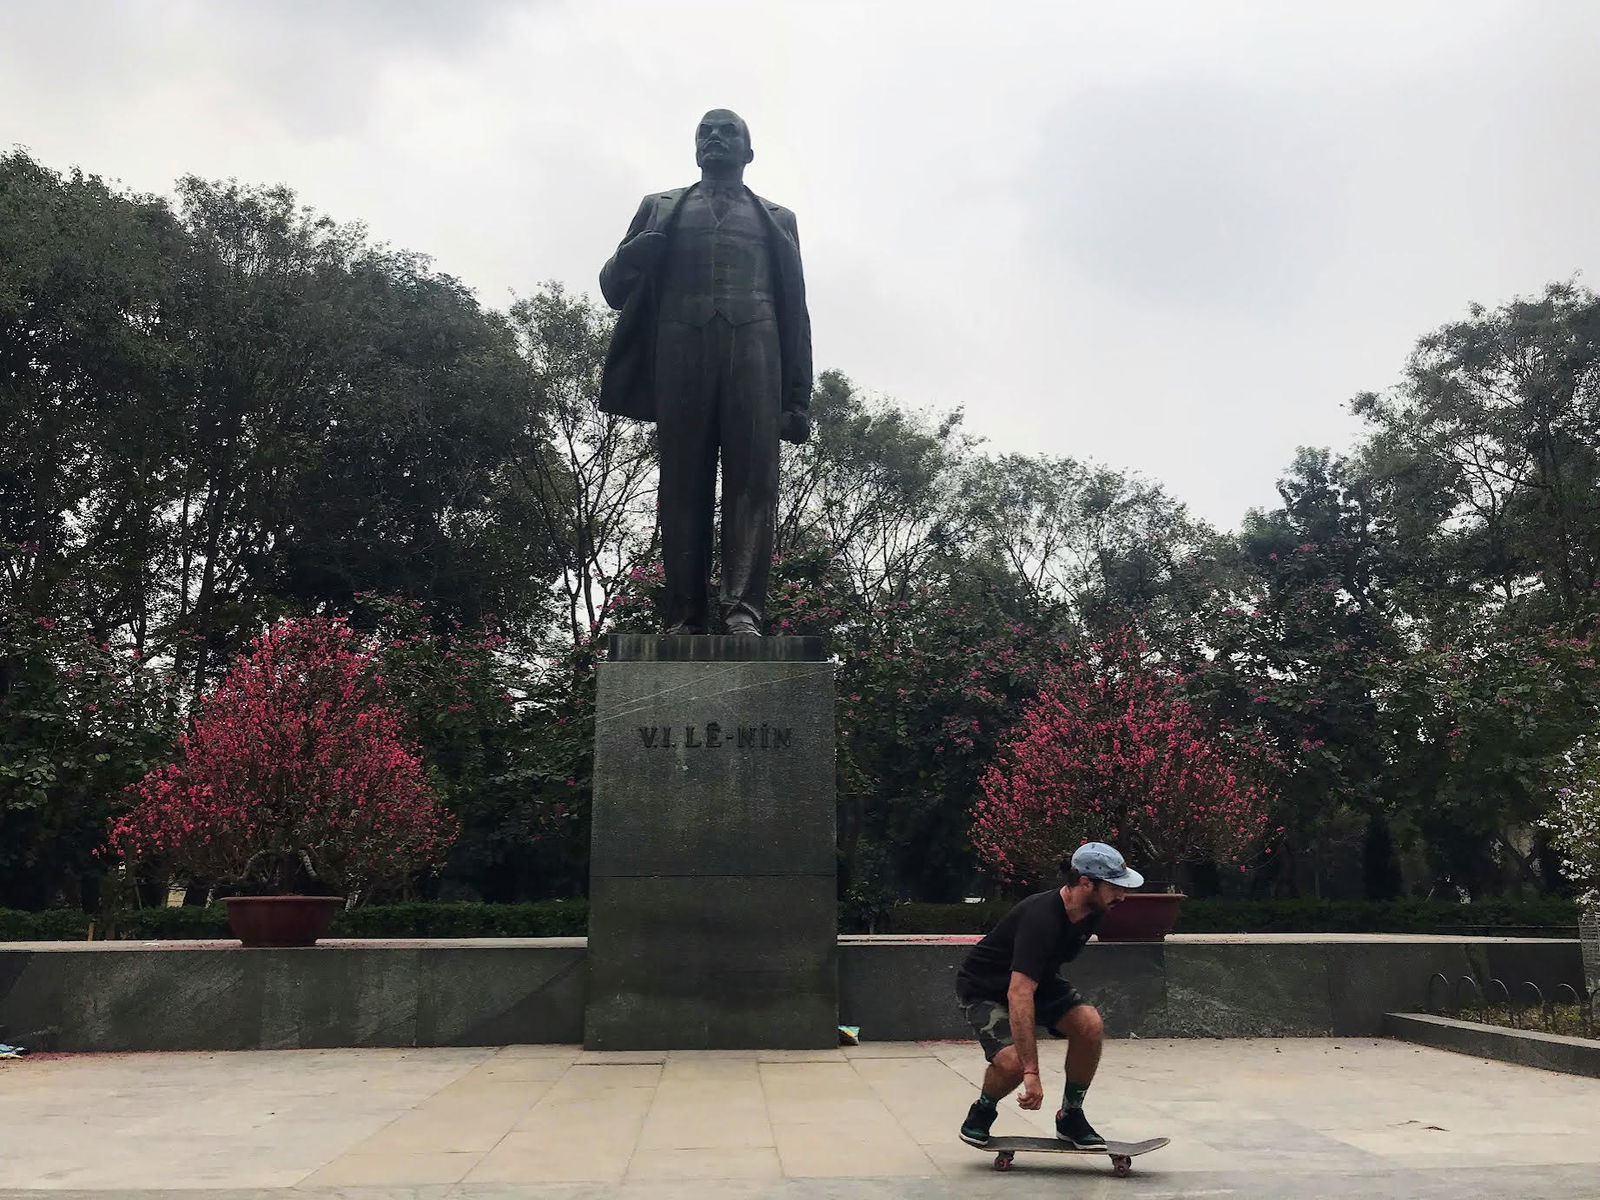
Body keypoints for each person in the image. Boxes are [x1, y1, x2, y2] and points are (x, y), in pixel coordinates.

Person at [597, 108, 813, 636]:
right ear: (696, 148)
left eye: (728, 132)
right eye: (705, 132)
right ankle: (684, 615)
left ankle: (744, 611)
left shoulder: (776, 218)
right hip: (679, 348)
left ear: (748, 151)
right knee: (681, 483)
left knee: (753, 484)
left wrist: (798, 397)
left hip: (757, 350)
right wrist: (632, 255)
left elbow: (795, 310)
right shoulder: (660, 207)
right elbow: (612, 290)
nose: (715, 139)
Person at [955, 841, 1144, 1149]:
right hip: (985, 987)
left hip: (1038, 981)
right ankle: (982, 1110)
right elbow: (1019, 993)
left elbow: (1034, 981)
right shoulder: (1041, 918)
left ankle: (1070, 1116)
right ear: (1085, 882)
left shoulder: (1093, 910)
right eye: (1114, 887)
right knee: (1014, 1065)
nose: (1122, 895)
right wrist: (1032, 1072)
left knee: (1089, 1024)